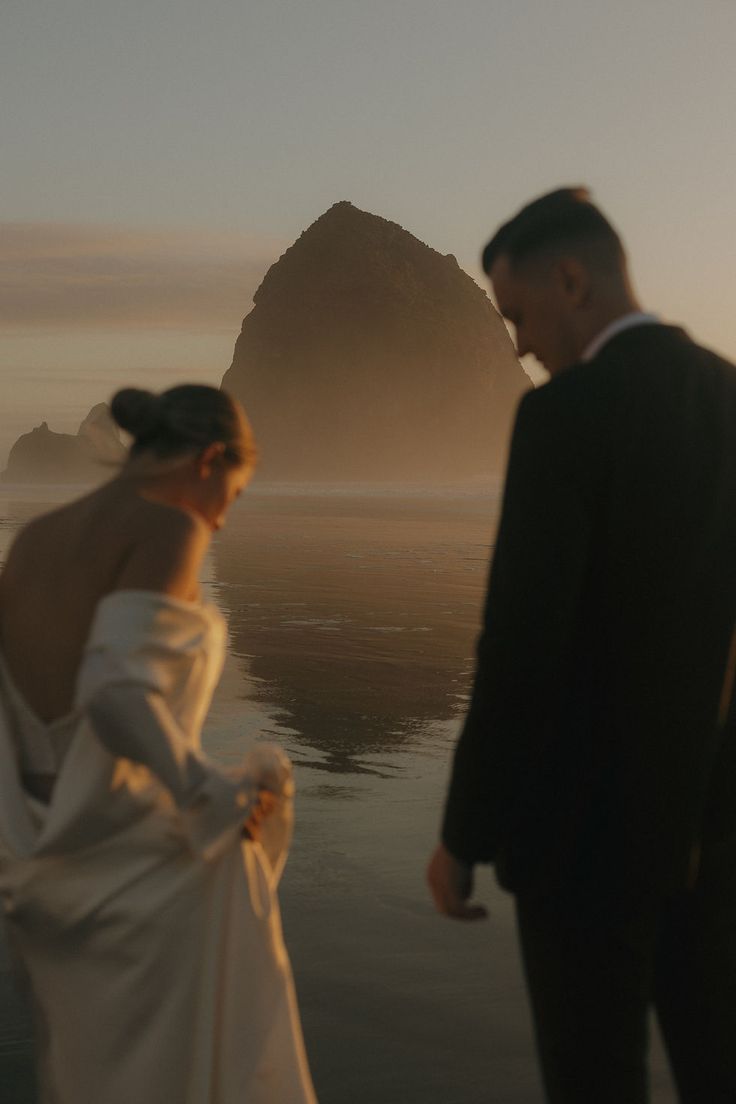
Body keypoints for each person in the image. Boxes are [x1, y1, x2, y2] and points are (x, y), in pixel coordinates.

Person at [427, 188, 736, 1103]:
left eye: (517, 314)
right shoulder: (731, 394)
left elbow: (521, 646)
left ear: (571, 280)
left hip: (584, 840)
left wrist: (462, 834)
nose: (518, 343)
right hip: (720, 829)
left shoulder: (566, 417)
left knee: (593, 1083)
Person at [0, 384, 317, 1104]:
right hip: (135, 879)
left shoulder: (35, 540)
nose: (224, 520)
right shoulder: (169, 529)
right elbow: (116, 692)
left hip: (39, 872)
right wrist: (210, 792)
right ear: (207, 461)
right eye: (232, 493)